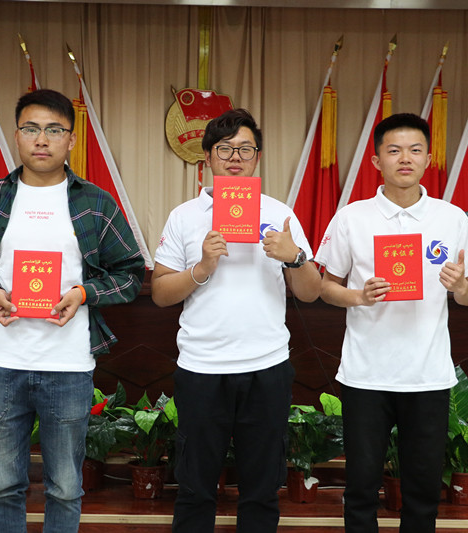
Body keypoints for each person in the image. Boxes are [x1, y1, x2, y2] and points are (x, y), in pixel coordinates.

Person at [0, 88, 145, 533]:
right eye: (32, 129)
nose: (42, 140)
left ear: (71, 140)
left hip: (68, 367)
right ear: (16, 135)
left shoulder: (96, 202)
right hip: (2, 364)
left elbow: (132, 274)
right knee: (4, 487)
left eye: (55, 130)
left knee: (65, 487)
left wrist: (84, 293)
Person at [315, 113, 468, 533]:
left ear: (429, 158)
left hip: (427, 374)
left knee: (423, 489)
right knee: (361, 486)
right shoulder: (352, 217)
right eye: (394, 150)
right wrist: (358, 297)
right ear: (377, 161)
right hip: (366, 374)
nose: (405, 159)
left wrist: (461, 285)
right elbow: (325, 288)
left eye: (414, 150)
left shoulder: (451, 218)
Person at [152, 108, 322, 532]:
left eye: (245, 149)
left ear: (257, 158)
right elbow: (160, 293)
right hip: (201, 368)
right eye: (225, 149)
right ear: (208, 157)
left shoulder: (279, 214)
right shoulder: (184, 216)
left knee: (262, 489)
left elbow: (310, 292)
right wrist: (202, 268)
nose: (235, 157)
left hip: (266, 367)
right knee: (195, 488)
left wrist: (295, 257)